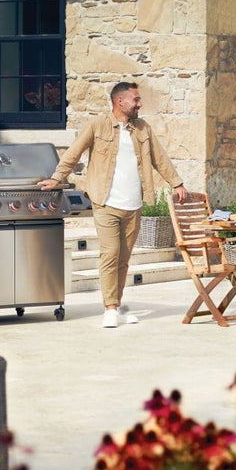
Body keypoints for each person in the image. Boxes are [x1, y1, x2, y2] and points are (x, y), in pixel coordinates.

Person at [40, 82, 187, 328]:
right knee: (110, 254)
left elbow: (159, 159)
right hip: (105, 202)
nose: (140, 104)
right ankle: (109, 307)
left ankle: (117, 305)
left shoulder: (142, 129)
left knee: (124, 259)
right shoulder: (98, 125)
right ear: (120, 102)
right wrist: (57, 178)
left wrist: (177, 183)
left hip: (134, 204)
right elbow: (74, 152)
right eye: (136, 100)